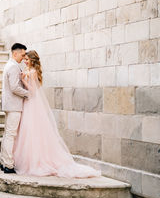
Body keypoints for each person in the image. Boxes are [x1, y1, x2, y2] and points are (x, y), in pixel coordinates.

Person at [13, 50, 101, 178]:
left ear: (32, 60)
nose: (25, 61)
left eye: (27, 59)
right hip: (30, 102)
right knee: (29, 130)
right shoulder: (30, 70)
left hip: (31, 101)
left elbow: (32, 91)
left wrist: (23, 80)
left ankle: (36, 161)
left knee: (31, 129)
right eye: (25, 59)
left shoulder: (32, 72)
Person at [0, 43, 29, 174]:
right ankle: (8, 164)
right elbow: (14, 87)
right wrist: (29, 94)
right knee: (11, 134)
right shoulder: (13, 67)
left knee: (8, 134)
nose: (23, 58)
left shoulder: (11, 65)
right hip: (14, 105)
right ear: (15, 53)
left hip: (10, 104)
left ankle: (4, 160)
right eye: (22, 55)